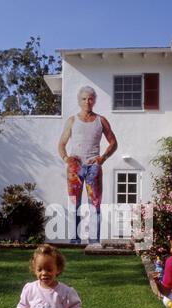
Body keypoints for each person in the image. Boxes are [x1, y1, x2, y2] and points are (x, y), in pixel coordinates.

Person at [58, 85, 117, 245]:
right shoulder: (72, 120)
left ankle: (94, 241)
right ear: (79, 101)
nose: (87, 102)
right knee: (74, 204)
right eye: (84, 99)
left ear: (94, 100)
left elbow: (113, 142)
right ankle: (75, 240)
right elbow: (61, 144)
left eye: (90, 98)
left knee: (94, 204)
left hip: (94, 167)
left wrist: (102, 158)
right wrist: (66, 158)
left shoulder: (101, 120)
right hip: (74, 168)